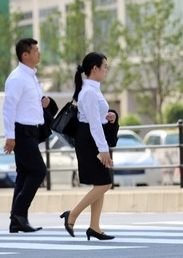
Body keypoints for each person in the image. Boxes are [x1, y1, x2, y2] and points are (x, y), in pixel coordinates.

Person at [60, 52, 117, 241]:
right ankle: (73, 214)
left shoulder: (92, 89)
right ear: (95, 69)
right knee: (105, 183)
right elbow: (93, 123)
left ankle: (94, 227)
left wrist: (110, 117)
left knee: (100, 182)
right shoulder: (90, 92)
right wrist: (103, 149)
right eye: (105, 66)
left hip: (91, 137)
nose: (106, 70)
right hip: (89, 140)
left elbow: (97, 118)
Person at [3, 38, 50, 233]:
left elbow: (27, 103)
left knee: (23, 175)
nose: (38, 53)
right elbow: (9, 108)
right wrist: (10, 136)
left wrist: (42, 101)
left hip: (31, 132)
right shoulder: (17, 78)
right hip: (21, 132)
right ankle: (18, 214)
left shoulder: (31, 76)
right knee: (39, 171)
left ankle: (17, 220)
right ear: (25, 55)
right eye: (35, 50)